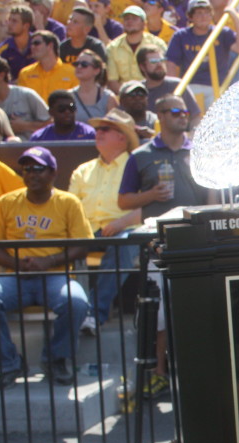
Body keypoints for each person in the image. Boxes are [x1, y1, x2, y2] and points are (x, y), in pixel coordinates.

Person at [0, 146, 94, 390]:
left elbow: (83, 245)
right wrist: (20, 264)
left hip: (55, 276)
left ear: (53, 174)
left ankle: (56, 359)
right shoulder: (6, 202)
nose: (31, 174)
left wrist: (48, 261)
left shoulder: (68, 202)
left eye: (38, 168)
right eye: (26, 169)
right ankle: (8, 364)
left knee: (76, 301)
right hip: (15, 277)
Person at [118, 94, 206, 397]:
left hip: (194, 240)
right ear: (160, 115)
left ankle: (196, 372)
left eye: (186, 111)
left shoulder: (199, 153)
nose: (184, 116)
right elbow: (124, 200)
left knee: (194, 308)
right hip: (158, 243)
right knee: (159, 314)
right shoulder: (140, 156)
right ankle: (158, 372)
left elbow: (209, 199)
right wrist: (151, 196)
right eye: (176, 111)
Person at [70, 108, 141, 334]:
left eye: (105, 129)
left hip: (126, 230)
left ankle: (91, 314)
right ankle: (66, 309)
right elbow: (68, 207)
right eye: (97, 129)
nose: (97, 132)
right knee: (57, 242)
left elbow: (150, 207)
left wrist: (121, 223)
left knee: (125, 243)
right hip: (87, 231)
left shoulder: (138, 165)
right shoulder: (83, 170)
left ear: (122, 137)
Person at [164, 0, 239, 107]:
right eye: (199, 13)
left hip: (217, 87)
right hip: (190, 86)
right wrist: (174, 93)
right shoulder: (180, 36)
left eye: (207, 12)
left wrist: (234, 15)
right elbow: (171, 65)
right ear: (190, 16)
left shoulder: (222, 32)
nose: (203, 16)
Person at [0, 54, 51, 139]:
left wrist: (26, 126)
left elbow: (50, 123)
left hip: (29, 149)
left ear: (1, 75)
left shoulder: (26, 95)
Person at [106, 4, 166, 91]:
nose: (129, 21)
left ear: (144, 23)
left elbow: (164, 74)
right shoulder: (112, 47)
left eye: (134, 19)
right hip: (125, 97)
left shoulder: (158, 44)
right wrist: (130, 96)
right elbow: (112, 81)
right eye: (126, 19)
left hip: (154, 94)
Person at [138, 44, 200, 125]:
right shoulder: (137, 91)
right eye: (154, 61)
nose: (159, 64)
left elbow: (195, 116)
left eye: (162, 60)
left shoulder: (177, 85)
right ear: (142, 67)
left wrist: (191, 135)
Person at [17, 30, 77, 102]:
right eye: (31, 44)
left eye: (36, 43)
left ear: (50, 46)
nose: (32, 47)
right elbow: (21, 102)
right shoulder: (25, 73)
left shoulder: (72, 73)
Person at [69, 49, 118, 123]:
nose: (79, 67)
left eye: (84, 64)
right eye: (76, 64)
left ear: (96, 70)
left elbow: (114, 126)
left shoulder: (109, 98)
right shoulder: (69, 97)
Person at [30, 89, 96, 140]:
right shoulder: (39, 137)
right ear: (51, 112)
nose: (67, 112)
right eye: (62, 108)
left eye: (71, 108)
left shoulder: (89, 134)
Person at [0, 3, 37, 79]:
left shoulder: (39, 44)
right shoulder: (3, 48)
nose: (9, 24)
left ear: (26, 26)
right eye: (9, 20)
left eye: (14, 21)